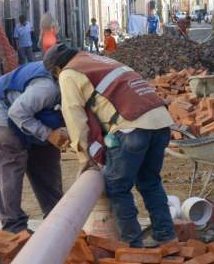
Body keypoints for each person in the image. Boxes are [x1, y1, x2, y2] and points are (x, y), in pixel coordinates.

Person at [46, 45, 176, 248]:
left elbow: (74, 117)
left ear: (56, 69)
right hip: (160, 121)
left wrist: (84, 157)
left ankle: (132, 246)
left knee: (117, 186)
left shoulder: (68, 73)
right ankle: (165, 234)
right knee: (149, 181)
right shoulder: (99, 60)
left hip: (132, 126)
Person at [0, 60, 70, 233]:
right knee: (12, 162)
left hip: (31, 113)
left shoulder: (76, 84)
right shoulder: (47, 88)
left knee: (47, 160)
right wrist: (48, 134)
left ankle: (55, 218)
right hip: (1, 110)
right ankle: (13, 226)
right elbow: (16, 112)